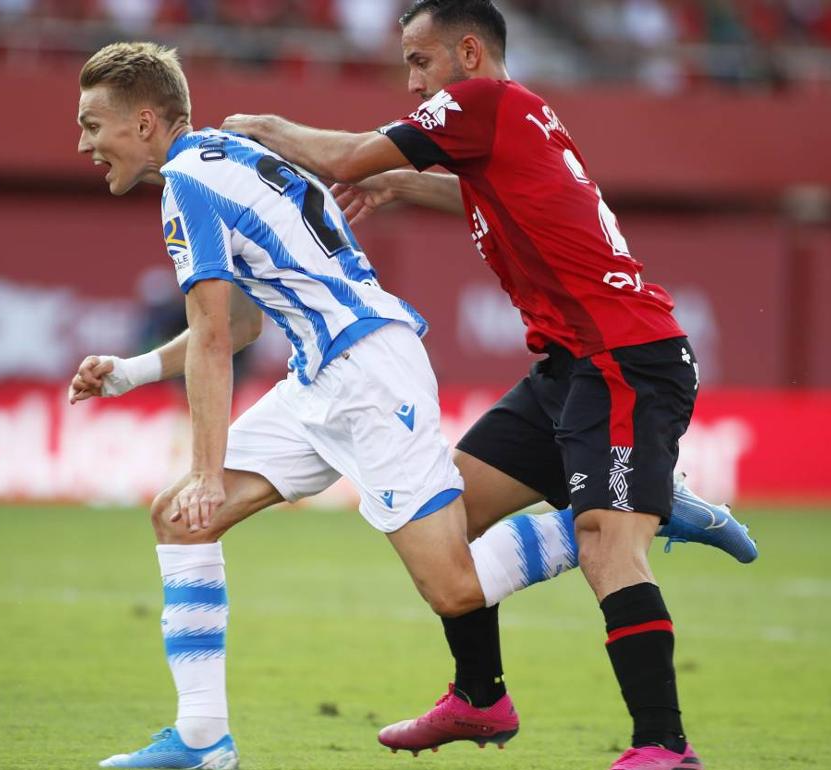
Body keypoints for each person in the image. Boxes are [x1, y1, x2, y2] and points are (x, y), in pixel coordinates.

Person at [71, 39, 748, 770]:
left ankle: (644, 501)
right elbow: (241, 323)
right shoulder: (225, 159)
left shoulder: (189, 184)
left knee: (454, 585)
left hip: (366, 375)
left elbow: (212, 340)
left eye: (93, 125)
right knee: (178, 519)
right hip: (322, 375)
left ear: (144, 124)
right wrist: (132, 373)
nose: (84, 144)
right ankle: (204, 741)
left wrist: (208, 467)